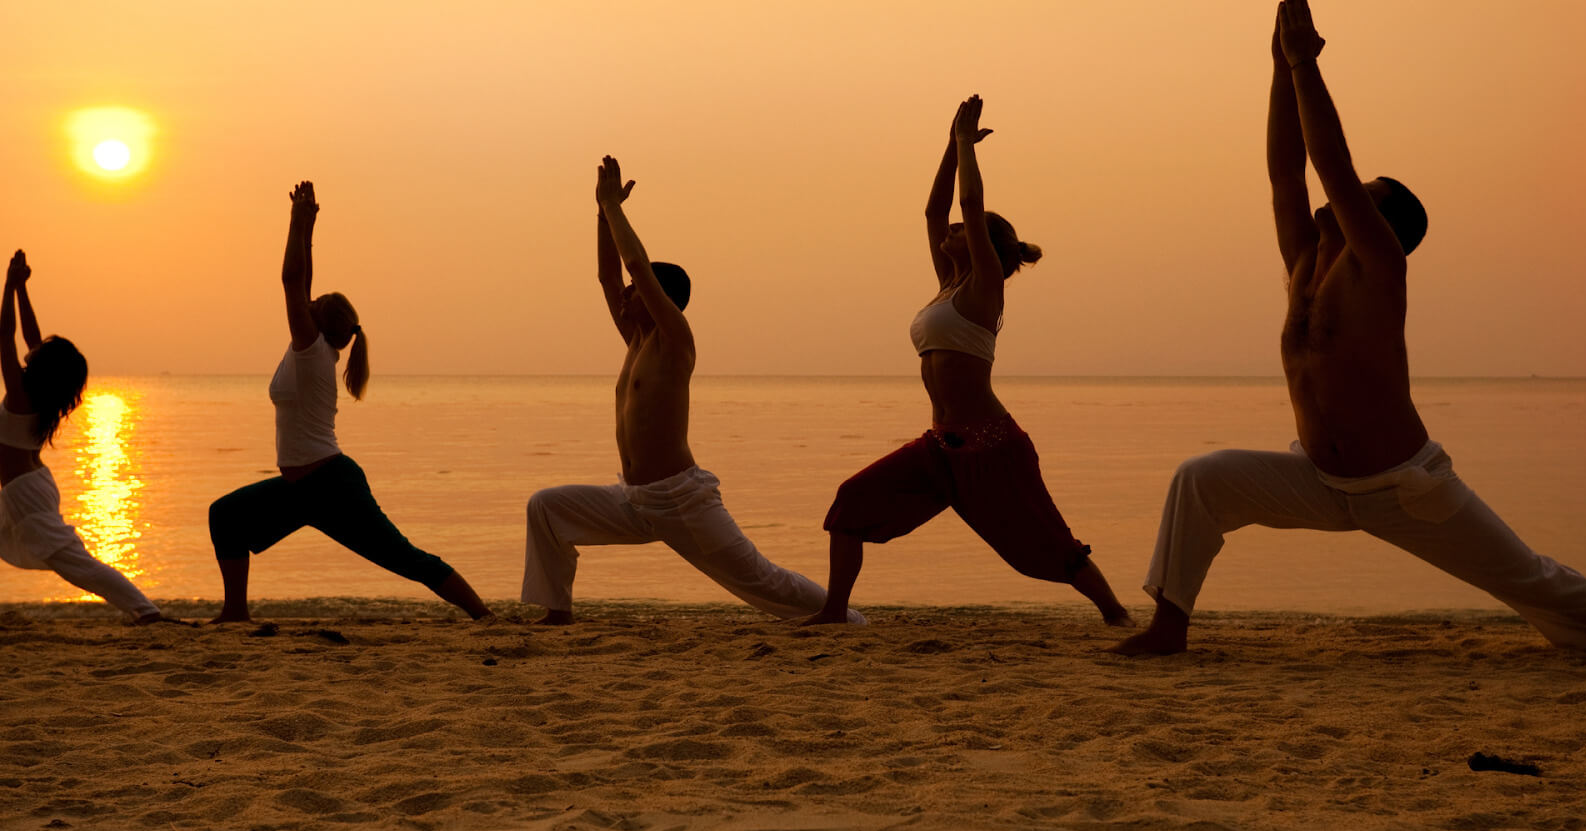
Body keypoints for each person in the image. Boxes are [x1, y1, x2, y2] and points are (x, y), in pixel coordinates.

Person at [1111, 0, 1586, 655]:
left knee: (1534, 583)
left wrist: (1305, 63)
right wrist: (1279, 68)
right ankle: (1168, 630)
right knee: (1202, 479)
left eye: (1363, 195)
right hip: (1320, 481)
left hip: (1404, 488)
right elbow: (1285, 172)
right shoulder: (1307, 263)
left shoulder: (1379, 264)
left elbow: (1329, 164)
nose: (1339, 195)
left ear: (1380, 223)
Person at [804, 96, 1132, 626]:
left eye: (961, 231)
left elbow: (971, 208)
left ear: (986, 247)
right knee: (852, 503)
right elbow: (934, 211)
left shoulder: (985, 286)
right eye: (952, 231)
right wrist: (948, 146)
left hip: (993, 448)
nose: (950, 230)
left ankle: (1115, 613)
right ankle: (835, 611)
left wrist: (966, 146)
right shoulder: (946, 285)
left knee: (1046, 546)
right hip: (940, 447)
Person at [521, 156, 857, 625]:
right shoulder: (635, 341)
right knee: (547, 507)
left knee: (761, 580)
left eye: (635, 291)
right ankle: (558, 613)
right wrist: (600, 213)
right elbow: (608, 275)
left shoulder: (675, 341)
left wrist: (615, 207)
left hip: (680, 499)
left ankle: (844, 617)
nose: (624, 295)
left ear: (658, 296)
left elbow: (634, 264)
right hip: (634, 499)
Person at [207, 182, 493, 624]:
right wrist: (309, 227)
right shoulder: (314, 349)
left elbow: (291, 280)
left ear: (319, 322)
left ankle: (484, 615)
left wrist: (295, 221)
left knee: (404, 557)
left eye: (315, 303)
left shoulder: (311, 351)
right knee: (226, 516)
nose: (308, 300)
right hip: (301, 489)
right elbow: (303, 282)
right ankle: (235, 613)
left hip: (331, 486)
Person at [0, 250, 168, 623]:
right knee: (75, 562)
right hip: (28, 485)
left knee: (77, 565)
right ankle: (147, 610)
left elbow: (5, 337)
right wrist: (23, 289)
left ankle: (147, 612)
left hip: (25, 492)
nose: (36, 346)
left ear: (45, 365)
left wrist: (9, 285)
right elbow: (27, 336)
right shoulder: (37, 395)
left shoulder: (21, 394)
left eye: (42, 349)